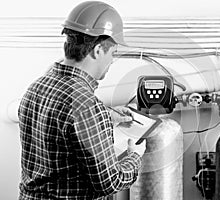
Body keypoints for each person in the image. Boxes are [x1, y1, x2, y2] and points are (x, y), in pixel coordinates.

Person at [18, 1, 146, 199]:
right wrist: (135, 156)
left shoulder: (38, 86)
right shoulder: (86, 106)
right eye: (113, 53)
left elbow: (61, 132)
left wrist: (107, 117)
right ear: (97, 50)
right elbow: (110, 182)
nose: (112, 60)